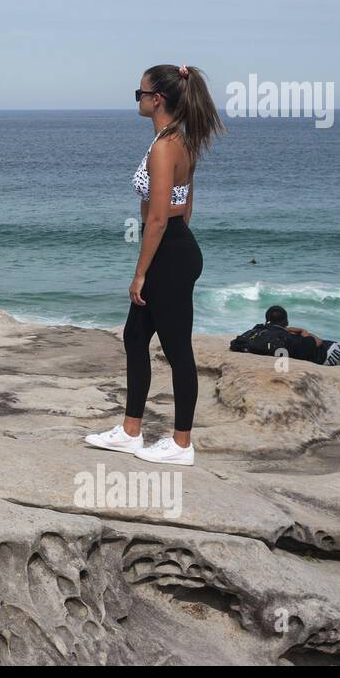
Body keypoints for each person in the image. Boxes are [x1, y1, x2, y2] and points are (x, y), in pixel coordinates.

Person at [85, 64, 225, 467]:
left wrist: (142, 271)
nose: (139, 99)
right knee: (134, 336)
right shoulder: (180, 140)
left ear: (157, 99)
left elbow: (159, 217)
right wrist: (167, 249)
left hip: (170, 250)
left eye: (140, 93)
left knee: (178, 349)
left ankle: (182, 444)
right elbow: (186, 203)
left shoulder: (166, 147)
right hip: (176, 246)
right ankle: (131, 431)